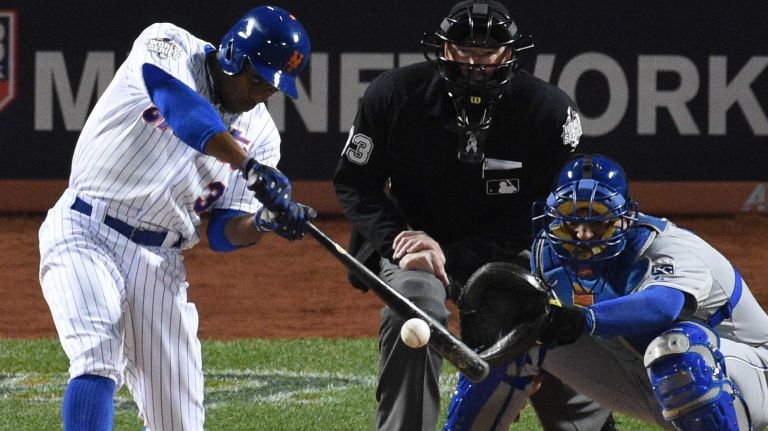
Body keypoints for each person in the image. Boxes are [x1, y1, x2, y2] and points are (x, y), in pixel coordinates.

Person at [333, 1, 614, 429]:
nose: (474, 62)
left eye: (487, 51)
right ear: (444, 49)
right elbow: (355, 184)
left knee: (550, 314)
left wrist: (454, 254)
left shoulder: (549, 111)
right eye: (463, 49)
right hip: (413, 245)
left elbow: (545, 209)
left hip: (508, 247)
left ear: (510, 53)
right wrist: (397, 241)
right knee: (414, 309)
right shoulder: (392, 95)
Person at [38, 6, 315, 430]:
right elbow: (182, 108)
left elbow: (222, 231)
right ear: (232, 56)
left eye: (273, 87)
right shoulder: (168, 45)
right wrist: (247, 166)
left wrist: (265, 221)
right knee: (97, 355)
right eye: (258, 79)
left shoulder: (262, 137)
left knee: (180, 422)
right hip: (85, 228)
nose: (263, 93)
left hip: (160, 262)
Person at [446, 153, 768, 430]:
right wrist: (511, 368)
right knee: (521, 326)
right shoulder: (548, 255)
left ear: (625, 219)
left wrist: (584, 319)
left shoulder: (669, 249)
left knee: (679, 352)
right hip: (647, 378)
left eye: (597, 223)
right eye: (571, 223)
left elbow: (663, 306)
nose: (582, 236)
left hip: (745, 376)